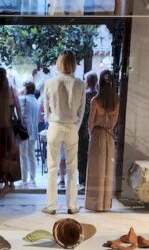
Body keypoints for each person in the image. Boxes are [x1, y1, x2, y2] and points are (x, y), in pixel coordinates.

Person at [42, 51, 86, 214]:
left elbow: (46, 112)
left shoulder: (49, 83)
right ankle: (72, 206)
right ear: (73, 63)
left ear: (58, 63)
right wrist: (74, 127)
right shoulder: (80, 84)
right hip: (72, 127)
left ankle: (51, 206)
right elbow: (81, 112)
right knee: (72, 169)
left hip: (54, 125)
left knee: (52, 168)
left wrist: (53, 121)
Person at [85, 69, 119, 212]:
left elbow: (90, 122)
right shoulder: (116, 101)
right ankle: (105, 204)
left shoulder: (95, 100)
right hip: (109, 136)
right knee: (107, 169)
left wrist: (91, 135)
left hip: (97, 135)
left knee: (96, 169)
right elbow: (115, 122)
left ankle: (95, 204)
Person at [0, 67, 22, 192]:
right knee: (10, 153)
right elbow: (18, 107)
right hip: (10, 126)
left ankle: (2, 181)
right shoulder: (11, 89)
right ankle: (11, 182)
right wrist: (21, 122)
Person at [78, 72, 98, 193]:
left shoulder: (85, 95)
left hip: (84, 130)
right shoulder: (99, 95)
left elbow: (82, 113)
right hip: (96, 130)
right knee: (94, 156)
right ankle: (93, 180)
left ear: (88, 81)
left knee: (82, 156)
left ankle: (82, 181)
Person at [19, 81, 40, 187]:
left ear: (26, 89)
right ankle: (32, 177)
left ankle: (24, 178)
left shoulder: (23, 99)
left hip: (24, 131)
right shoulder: (36, 101)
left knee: (23, 155)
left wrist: (20, 93)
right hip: (34, 131)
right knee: (31, 154)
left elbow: (21, 114)